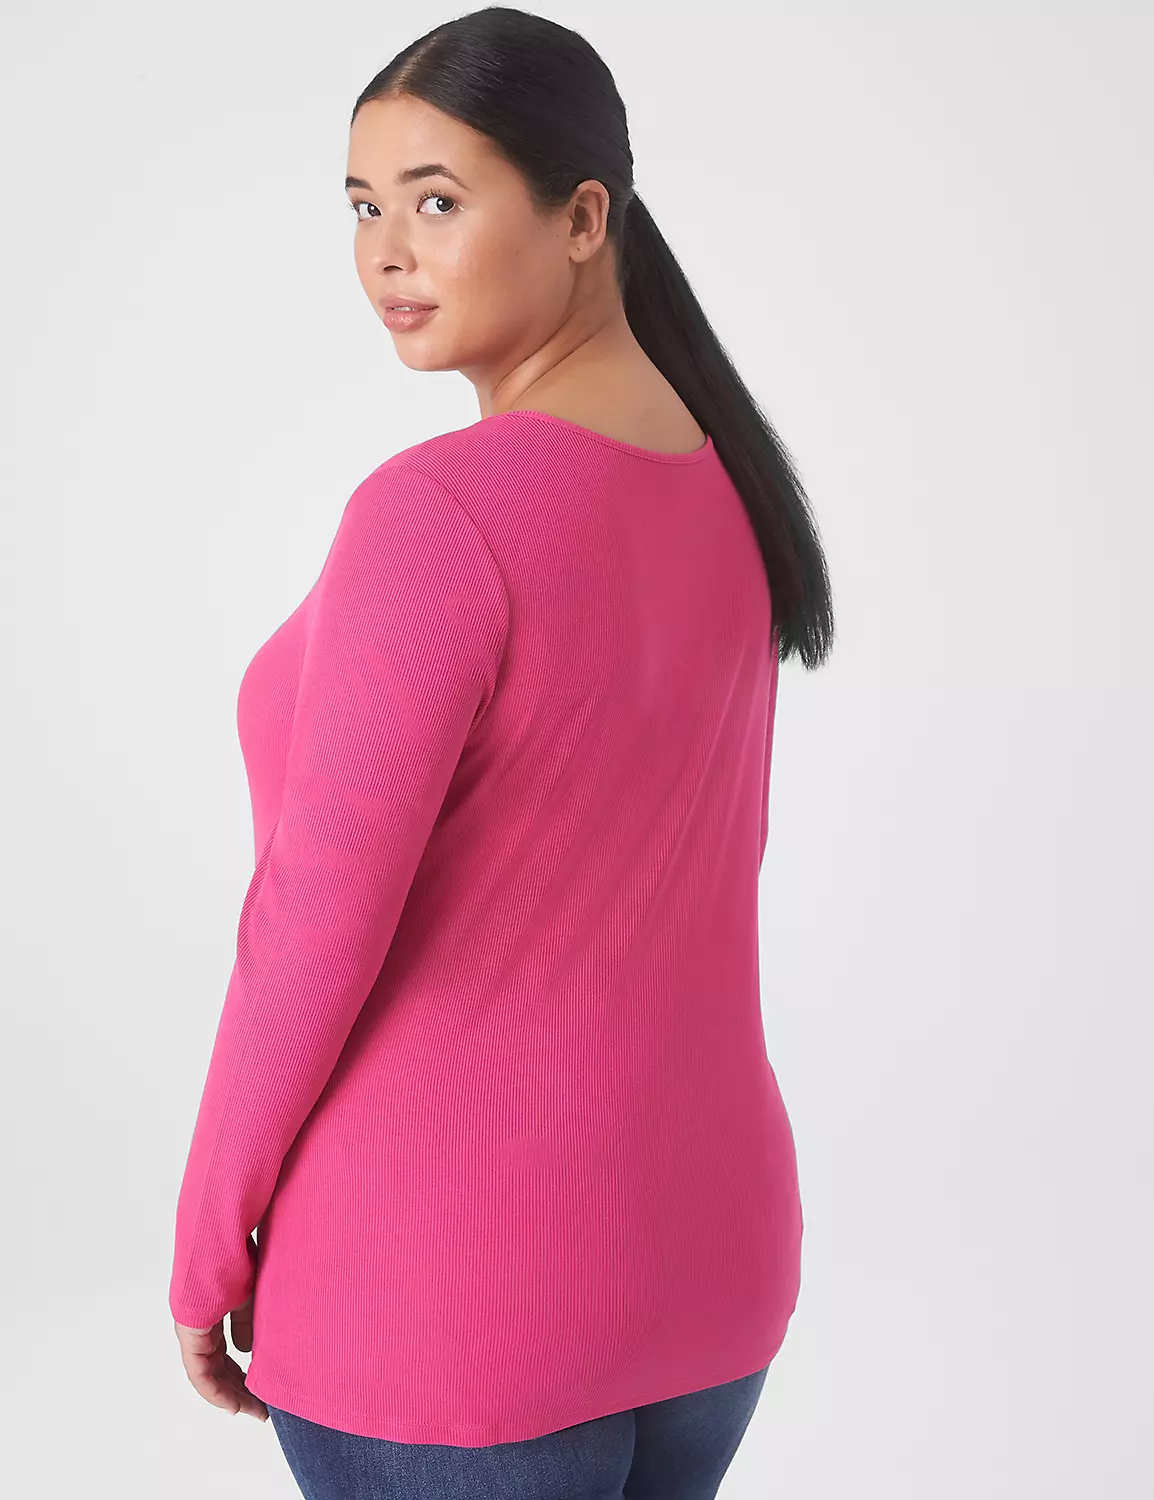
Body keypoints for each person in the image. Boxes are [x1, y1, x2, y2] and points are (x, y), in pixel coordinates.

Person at [168, 6, 834, 1496]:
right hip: (706, 1261)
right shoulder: (722, 488)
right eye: (363, 207)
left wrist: (209, 1236)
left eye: (438, 202)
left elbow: (314, 930)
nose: (387, 255)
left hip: (451, 1287)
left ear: (584, 217)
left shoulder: (440, 514)